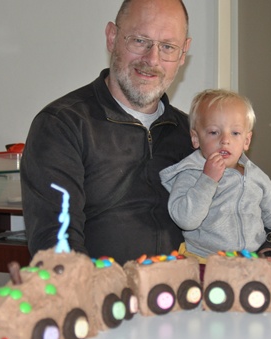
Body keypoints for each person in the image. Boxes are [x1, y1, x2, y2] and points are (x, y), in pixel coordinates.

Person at [20, 0, 194, 264]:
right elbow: (57, 245)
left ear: (183, 55)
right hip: (99, 297)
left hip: (186, 294)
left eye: (167, 47)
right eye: (139, 41)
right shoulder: (62, 125)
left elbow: (240, 206)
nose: (152, 59)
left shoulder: (194, 134)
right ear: (112, 37)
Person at [160, 89, 271, 262]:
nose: (225, 140)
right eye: (213, 132)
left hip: (252, 259)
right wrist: (207, 180)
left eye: (235, 133)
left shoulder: (256, 176)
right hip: (206, 260)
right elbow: (186, 220)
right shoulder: (191, 173)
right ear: (195, 138)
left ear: (246, 140)